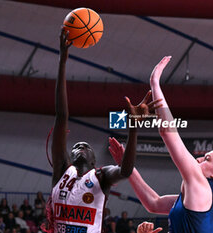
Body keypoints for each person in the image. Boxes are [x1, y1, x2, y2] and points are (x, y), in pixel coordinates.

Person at [109, 56, 213, 233]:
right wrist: (128, 167)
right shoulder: (204, 195)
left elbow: (167, 132)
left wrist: (155, 82)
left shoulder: (201, 184)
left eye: (207, 158)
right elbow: (154, 203)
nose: (200, 158)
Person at [44, 28, 160, 233]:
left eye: (86, 146)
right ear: (68, 157)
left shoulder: (101, 177)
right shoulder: (62, 171)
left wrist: (133, 128)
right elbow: (61, 115)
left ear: (93, 161)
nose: (80, 147)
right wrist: (62, 61)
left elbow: (125, 171)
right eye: (77, 146)